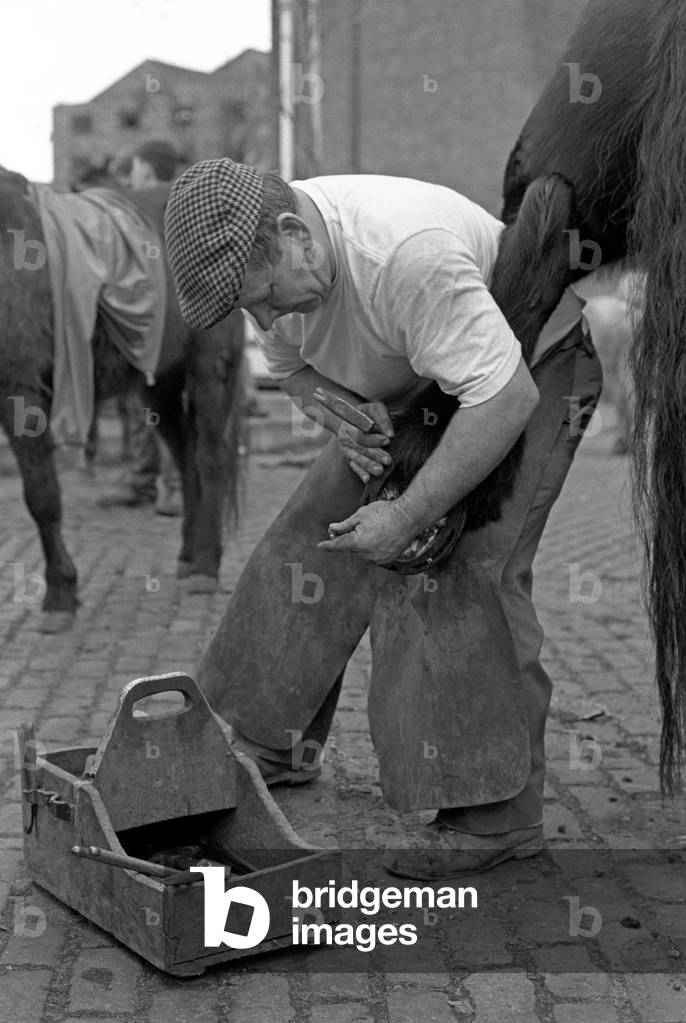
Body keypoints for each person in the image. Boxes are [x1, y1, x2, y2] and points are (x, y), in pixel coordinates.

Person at [163, 159, 603, 880]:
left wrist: (407, 513)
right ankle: (270, 740)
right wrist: (328, 404)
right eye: (251, 309)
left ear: (292, 233)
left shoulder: (403, 256)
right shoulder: (281, 271)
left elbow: (504, 397)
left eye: (267, 298)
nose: (267, 321)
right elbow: (292, 366)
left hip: (531, 361)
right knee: (311, 536)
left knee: (459, 565)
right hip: (426, 369)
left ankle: (497, 814)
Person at [98, 140, 183, 516]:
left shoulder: (135, 206)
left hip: (148, 321)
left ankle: (169, 486)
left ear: (145, 169)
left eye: (135, 168)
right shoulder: (184, 202)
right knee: (150, 406)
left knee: (158, 405)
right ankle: (149, 482)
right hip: (163, 322)